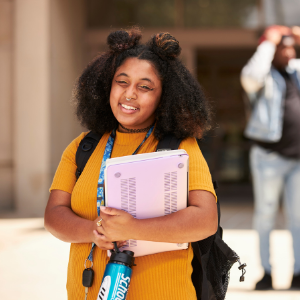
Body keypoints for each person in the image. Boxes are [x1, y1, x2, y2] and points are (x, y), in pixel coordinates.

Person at [44, 28, 218, 300]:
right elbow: (54, 215)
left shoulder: (181, 147)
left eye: (145, 86)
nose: (130, 94)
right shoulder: (82, 148)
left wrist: (132, 229)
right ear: (107, 86)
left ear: (163, 97)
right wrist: (94, 231)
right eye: (122, 82)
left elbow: (206, 220)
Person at [241, 25, 300, 290]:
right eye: (282, 47)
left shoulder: (296, 73)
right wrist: (268, 42)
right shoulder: (263, 77)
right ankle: (265, 272)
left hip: (297, 160)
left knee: (298, 218)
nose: (288, 51)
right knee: (265, 215)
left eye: (291, 47)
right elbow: (250, 76)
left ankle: (298, 272)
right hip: (268, 158)